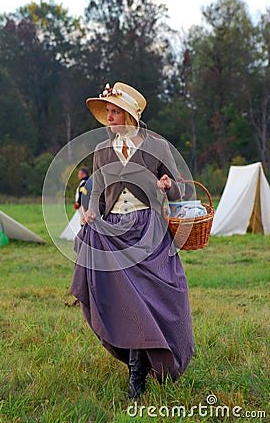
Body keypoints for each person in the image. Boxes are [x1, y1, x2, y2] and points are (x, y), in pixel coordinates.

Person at [71, 82, 194, 399]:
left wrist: (167, 186)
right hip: (114, 231)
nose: (109, 117)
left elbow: (178, 192)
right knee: (127, 302)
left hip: (149, 229)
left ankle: (158, 361)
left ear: (129, 114)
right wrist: (88, 213)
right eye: (108, 112)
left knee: (158, 296)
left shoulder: (158, 148)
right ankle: (136, 375)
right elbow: (97, 194)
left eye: (114, 112)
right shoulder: (101, 151)